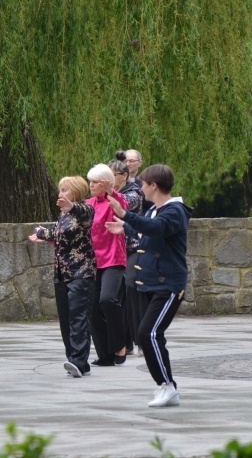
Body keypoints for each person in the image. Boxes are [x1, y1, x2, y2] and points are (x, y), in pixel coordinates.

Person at [106, 164, 191, 407]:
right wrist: (125, 227)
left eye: (143, 183)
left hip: (170, 286)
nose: (141, 187)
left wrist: (125, 215)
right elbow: (147, 228)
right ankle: (166, 385)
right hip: (153, 284)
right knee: (153, 335)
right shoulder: (155, 210)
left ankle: (167, 386)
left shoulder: (175, 211)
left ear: (154, 186)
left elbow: (157, 229)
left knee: (148, 333)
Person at [28, 176, 96, 378]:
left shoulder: (84, 211)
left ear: (75, 192)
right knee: (66, 320)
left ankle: (78, 359)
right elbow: (55, 233)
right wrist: (41, 234)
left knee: (79, 318)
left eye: (65, 190)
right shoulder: (63, 216)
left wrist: (71, 206)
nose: (60, 194)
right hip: (62, 274)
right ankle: (77, 361)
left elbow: (84, 214)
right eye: (60, 190)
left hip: (81, 272)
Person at [85, 163, 129, 366]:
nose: (91, 185)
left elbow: (124, 211)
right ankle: (105, 354)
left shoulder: (114, 201)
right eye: (90, 181)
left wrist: (112, 192)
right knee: (92, 307)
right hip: (93, 262)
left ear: (105, 184)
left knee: (108, 299)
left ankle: (121, 345)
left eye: (95, 182)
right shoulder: (88, 204)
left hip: (112, 259)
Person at [108, 152, 144, 357]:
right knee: (113, 296)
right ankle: (122, 342)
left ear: (124, 175)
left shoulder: (134, 192)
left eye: (113, 175)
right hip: (112, 249)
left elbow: (123, 205)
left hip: (132, 247)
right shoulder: (104, 195)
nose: (110, 180)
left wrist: (107, 194)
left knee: (131, 286)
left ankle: (140, 340)